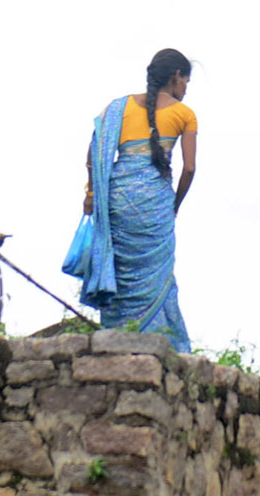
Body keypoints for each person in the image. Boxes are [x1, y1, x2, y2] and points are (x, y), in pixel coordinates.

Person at [81, 48, 197, 352]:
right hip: (156, 204)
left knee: (120, 270)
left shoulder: (118, 108)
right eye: (186, 80)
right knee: (157, 277)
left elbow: (93, 153)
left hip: (118, 199)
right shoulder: (185, 115)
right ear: (175, 77)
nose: (186, 88)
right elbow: (189, 168)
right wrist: (174, 206)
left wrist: (91, 195)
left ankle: (115, 338)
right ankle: (162, 344)